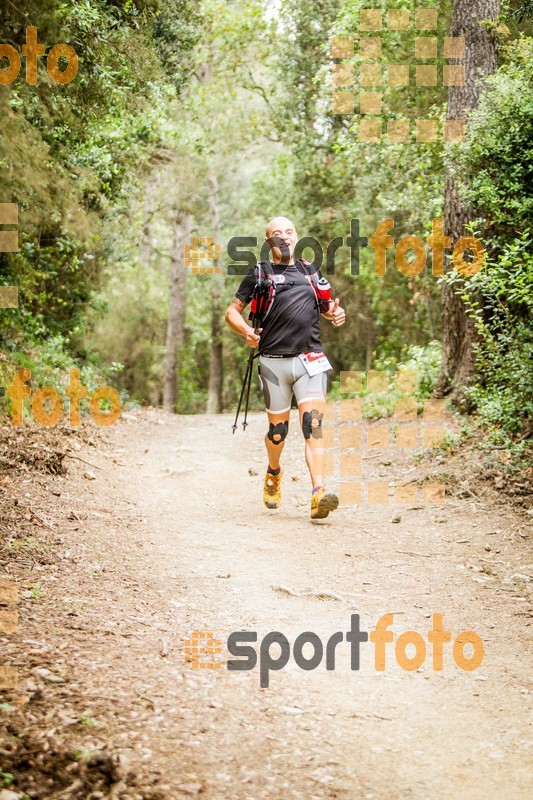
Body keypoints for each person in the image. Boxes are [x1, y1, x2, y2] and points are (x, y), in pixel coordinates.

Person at [225, 216, 346, 519]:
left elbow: (328, 306)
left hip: (311, 360)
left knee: (313, 426)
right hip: (273, 363)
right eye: (276, 234)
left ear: (297, 236)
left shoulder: (310, 271)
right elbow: (232, 312)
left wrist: (336, 313)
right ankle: (273, 471)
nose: (284, 237)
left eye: (289, 232)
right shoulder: (259, 273)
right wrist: (247, 333)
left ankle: (319, 493)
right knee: (278, 432)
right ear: (269, 242)